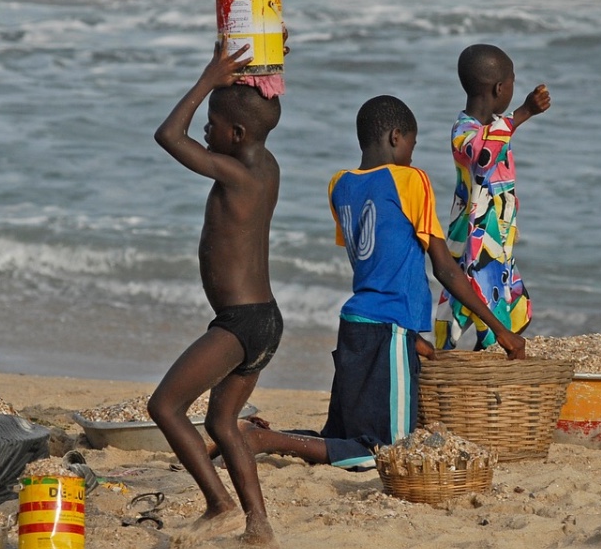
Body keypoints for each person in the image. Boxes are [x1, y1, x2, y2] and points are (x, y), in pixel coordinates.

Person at [230, 94, 527, 470]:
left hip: (356, 325)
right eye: (413, 146)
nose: (414, 157)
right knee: (386, 453)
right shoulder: (410, 180)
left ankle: (256, 437)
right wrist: (499, 329)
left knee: (342, 439)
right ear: (396, 137)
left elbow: (377, 265)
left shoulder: (340, 185)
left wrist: (411, 337)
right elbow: (445, 269)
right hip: (386, 329)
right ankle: (263, 439)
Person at [148, 39, 284, 545]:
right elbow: (253, 110)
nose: (204, 131)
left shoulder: (234, 173)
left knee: (164, 407)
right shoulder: (265, 165)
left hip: (241, 323)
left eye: (212, 124)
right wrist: (250, 61)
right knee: (223, 422)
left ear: (238, 133)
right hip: (266, 320)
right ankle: (258, 525)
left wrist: (208, 77)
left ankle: (219, 504)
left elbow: (167, 135)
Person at [434, 43, 550, 350]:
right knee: (486, 321)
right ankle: (467, 376)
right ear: (500, 88)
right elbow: (482, 154)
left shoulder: (493, 127)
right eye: (512, 81)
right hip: (476, 243)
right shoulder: (464, 130)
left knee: (516, 311)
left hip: (498, 240)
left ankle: (467, 368)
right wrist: (523, 112)